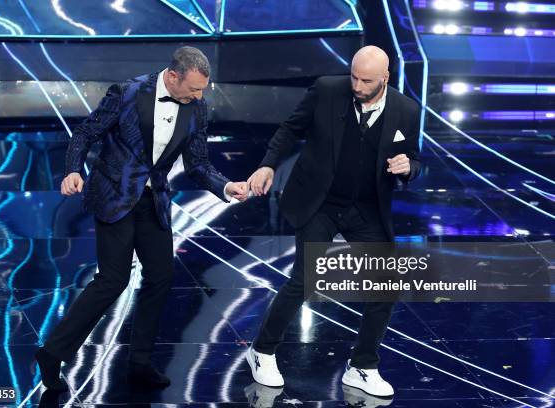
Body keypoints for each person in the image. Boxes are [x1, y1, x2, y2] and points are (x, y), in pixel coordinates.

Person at [35, 46, 248, 391]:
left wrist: (226, 187)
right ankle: (52, 352)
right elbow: (86, 133)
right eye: (194, 88)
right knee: (113, 280)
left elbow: (198, 164)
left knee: (161, 278)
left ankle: (139, 362)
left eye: (202, 90)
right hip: (114, 195)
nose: (199, 95)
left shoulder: (197, 108)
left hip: (154, 200)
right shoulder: (128, 93)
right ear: (174, 75)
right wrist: (73, 170)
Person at [245, 45, 421, 397]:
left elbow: (412, 157)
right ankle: (261, 351)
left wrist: (408, 168)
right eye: (354, 76)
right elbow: (290, 129)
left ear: (385, 78)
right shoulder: (326, 90)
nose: (357, 85)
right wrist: (268, 164)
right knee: (305, 278)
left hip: (367, 207)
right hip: (320, 201)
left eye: (366, 80)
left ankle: (363, 366)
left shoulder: (405, 109)